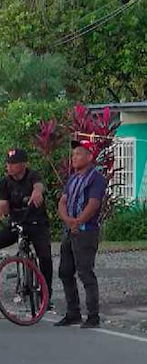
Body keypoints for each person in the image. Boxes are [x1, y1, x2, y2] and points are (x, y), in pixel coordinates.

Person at [0, 149, 54, 305]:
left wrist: (37, 192)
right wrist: (0, 210)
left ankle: (46, 294)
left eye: (13, 164)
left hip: (36, 223)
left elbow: (39, 185)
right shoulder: (5, 182)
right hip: (17, 224)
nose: (9, 167)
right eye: (8, 163)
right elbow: (4, 205)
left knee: (45, 256)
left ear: (23, 164)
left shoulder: (32, 175)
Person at [55, 140, 108, 329]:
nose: (74, 157)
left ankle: (93, 315)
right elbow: (62, 201)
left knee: (85, 272)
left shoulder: (96, 179)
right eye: (73, 154)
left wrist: (79, 221)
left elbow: (93, 204)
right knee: (65, 271)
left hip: (86, 232)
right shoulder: (72, 178)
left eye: (78, 153)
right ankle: (73, 312)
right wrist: (68, 220)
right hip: (70, 231)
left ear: (89, 157)